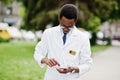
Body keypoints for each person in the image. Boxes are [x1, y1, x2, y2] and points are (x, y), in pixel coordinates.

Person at [34, 4, 92, 80]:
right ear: (59, 19)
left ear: (75, 22)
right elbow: (38, 53)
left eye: (70, 27)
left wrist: (73, 69)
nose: (66, 29)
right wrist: (46, 60)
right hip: (51, 77)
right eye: (63, 26)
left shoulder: (83, 38)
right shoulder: (48, 33)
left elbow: (87, 64)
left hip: (71, 77)